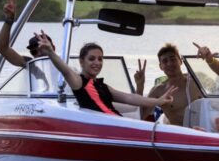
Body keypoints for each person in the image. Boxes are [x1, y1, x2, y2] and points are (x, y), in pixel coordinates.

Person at [36, 31, 177, 116]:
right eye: (91, 59)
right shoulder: (79, 82)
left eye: (100, 59)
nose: (97, 62)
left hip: (118, 125)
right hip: (107, 130)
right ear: (81, 62)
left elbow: (130, 98)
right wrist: (50, 52)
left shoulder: (103, 86)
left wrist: (158, 101)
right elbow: (65, 70)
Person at [133, 43, 203, 125]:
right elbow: (140, 116)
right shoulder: (158, 91)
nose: (169, 64)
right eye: (165, 61)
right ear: (161, 66)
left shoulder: (197, 80)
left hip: (203, 131)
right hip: (179, 133)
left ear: (180, 61)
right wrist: (140, 86)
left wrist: (208, 59)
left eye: (173, 59)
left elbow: (217, 92)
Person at [0, 0, 40, 67]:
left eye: (43, 49)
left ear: (53, 48)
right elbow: (2, 47)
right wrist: (9, 19)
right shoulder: (33, 66)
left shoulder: (63, 62)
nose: (39, 53)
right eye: (34, 51)